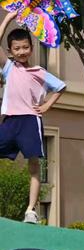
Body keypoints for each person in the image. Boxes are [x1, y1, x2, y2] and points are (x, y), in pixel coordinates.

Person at [0, 12, 65, 224]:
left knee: (34, 165)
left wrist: (46, 105)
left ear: (32, 48)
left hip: (30, 120)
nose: (21, 52)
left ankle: (31, 210)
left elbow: (61, 87)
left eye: (25, 47)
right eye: (16, 48)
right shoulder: (9, 68)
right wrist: (8, 19)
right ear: (10, 51)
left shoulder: (39, 71)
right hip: (10, 120)